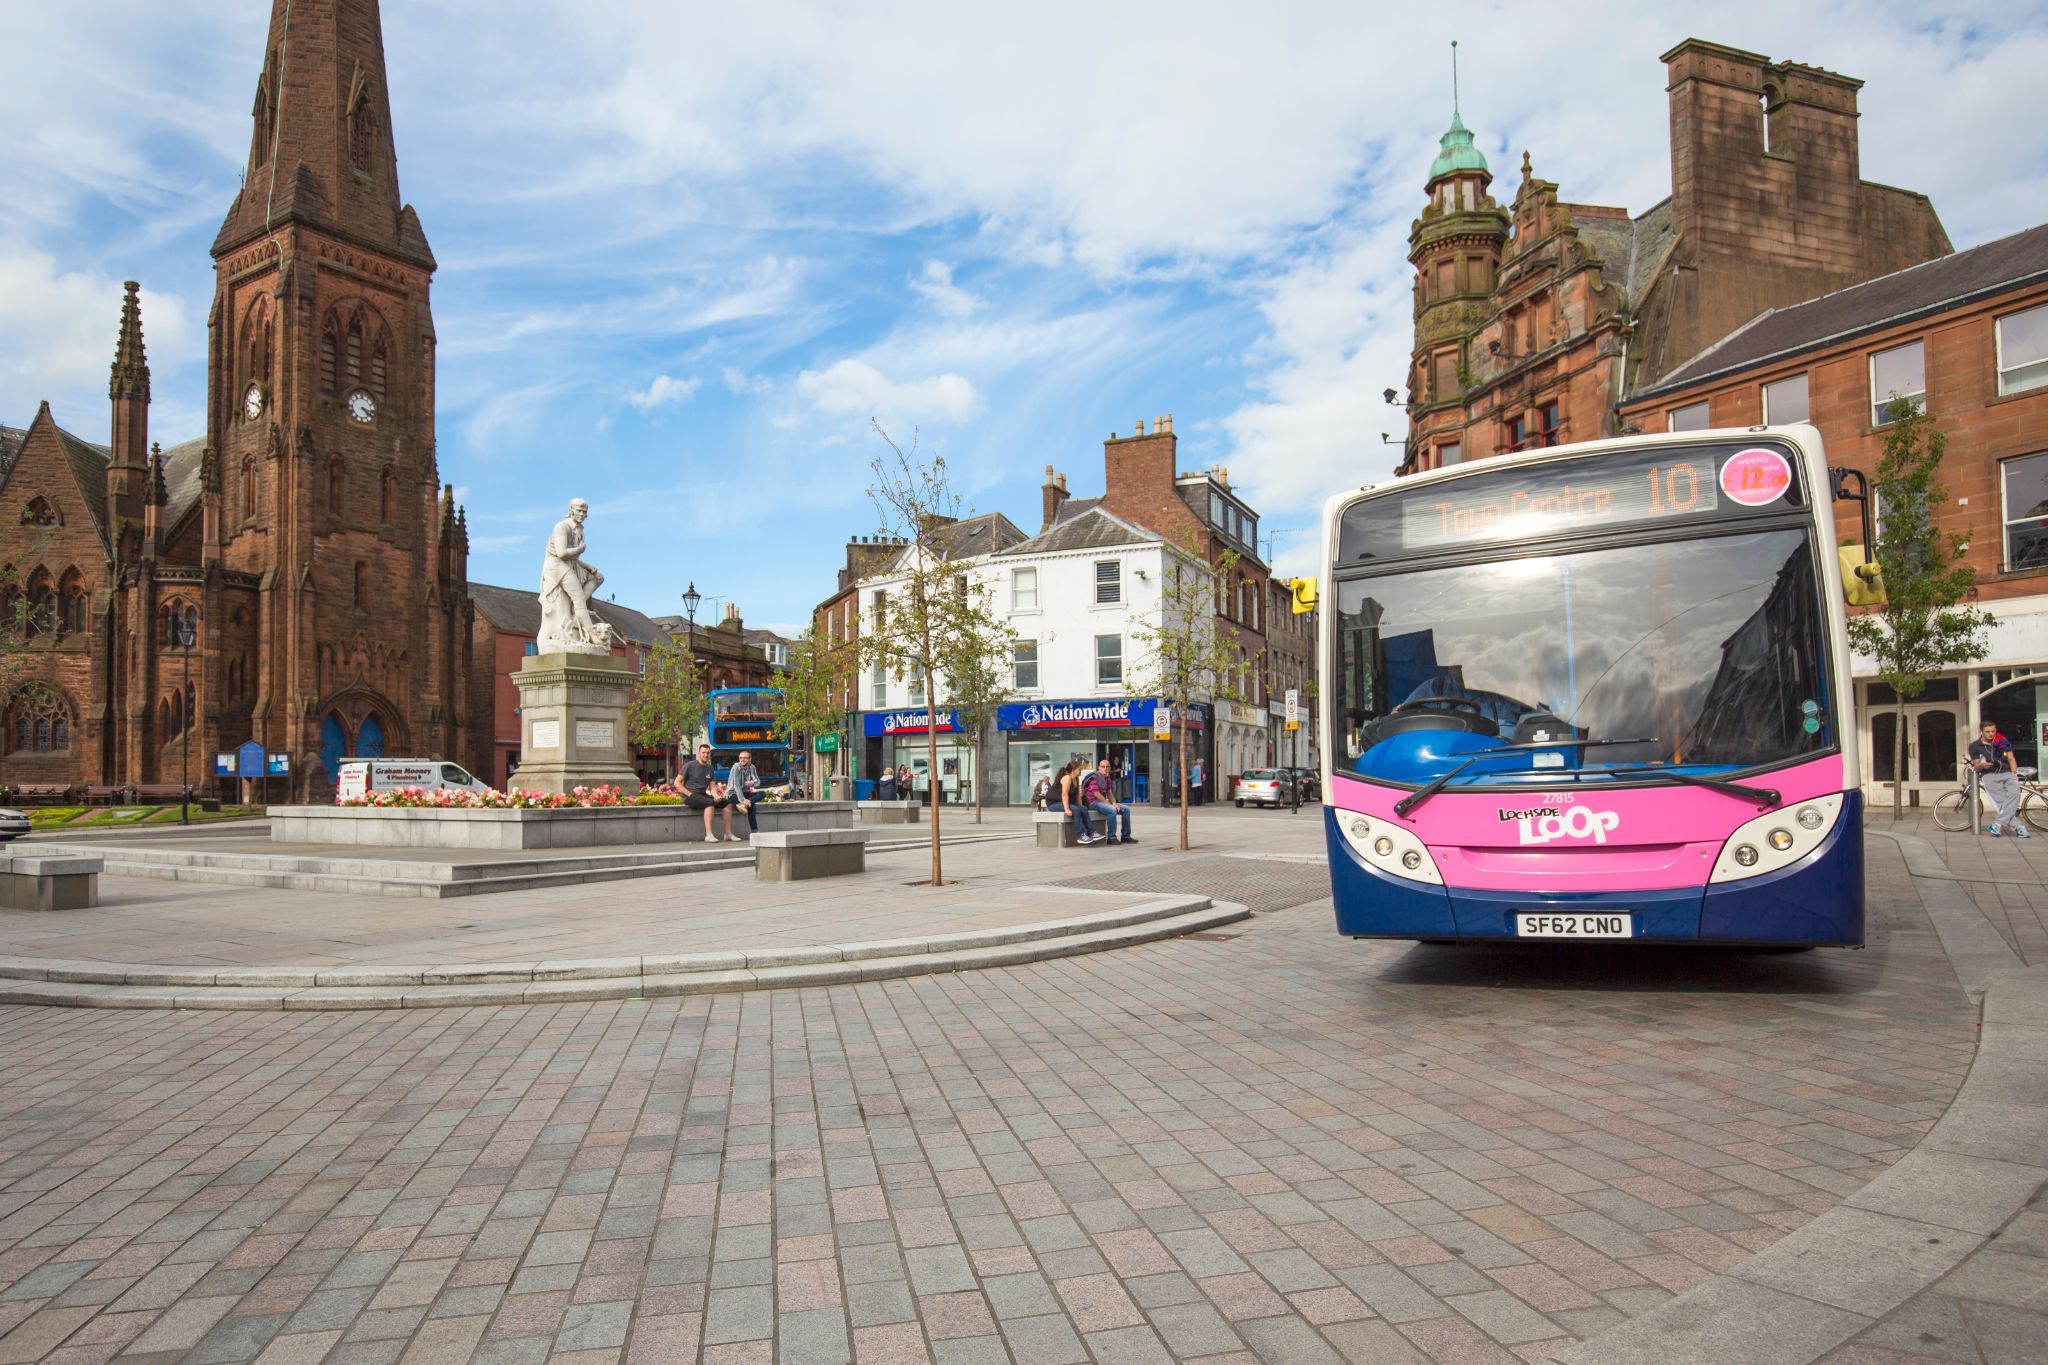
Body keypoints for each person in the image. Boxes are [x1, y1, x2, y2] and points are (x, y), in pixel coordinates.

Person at [1970, 721, 2030, 838]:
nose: (1991, 734)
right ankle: (2019, 828)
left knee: (2015, 795)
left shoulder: (2002, 742)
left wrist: (2014, 775)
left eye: (1993, 731)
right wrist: (1982, 765)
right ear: (1981, 731)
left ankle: (1998, 824)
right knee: (2001, 802)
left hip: (2007, 772)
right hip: (1989, 775)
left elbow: (2011, 758)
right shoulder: (1974, 746)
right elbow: (1976, 765)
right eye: (1988, 732)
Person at [681, 742, 737, 842]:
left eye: (707, 753)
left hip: (702, 795)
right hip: (690, 796)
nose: (705, 755)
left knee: (727, 804)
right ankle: (709, 835)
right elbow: (677, 783)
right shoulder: (689, 765)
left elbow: (712, 787)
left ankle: (728, 834)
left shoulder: (710, 768)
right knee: (709, 804)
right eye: (703, 753)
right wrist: (689, 794)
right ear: (699, 753)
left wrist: (716, 796)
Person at [1083, 757, 1136, 846]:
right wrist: (1108, 804)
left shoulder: (1107, 778)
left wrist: (1114, 803)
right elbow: (1096, 793)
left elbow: (1109, 792)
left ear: (1110, 768)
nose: (1105, 768)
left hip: (1101, 802)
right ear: (1098, 768)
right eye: (1103, 766)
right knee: (1112, 810)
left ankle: (1126, 836)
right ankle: (1111, 838)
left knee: (1126, 809)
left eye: (1107, 767)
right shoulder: (1094, 778)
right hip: (1092, 803)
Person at [1058, 759, 1096, 844]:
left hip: (1065, 801)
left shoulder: (1076, 779)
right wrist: (1067, 809)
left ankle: (1092, 832)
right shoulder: (1067, 778)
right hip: (1054, 802)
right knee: (1075, 810)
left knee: (1083, 809)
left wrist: (1081, 806)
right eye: (1079, 769)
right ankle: (1080, 835)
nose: (1081, 771)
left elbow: (1077, 795)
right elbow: (1064, 794)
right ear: (1073, 770)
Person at [728, 749, 763, 836]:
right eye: (740, 758)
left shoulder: (752, 767)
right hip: (733, 793)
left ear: (750, 759)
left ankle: (748, 802)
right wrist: (743, 800)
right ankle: (754, 830)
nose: (742, 760)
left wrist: (752, 783)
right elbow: (736, 786)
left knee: (762, 793)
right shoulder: (736, 768)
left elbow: (758, 782)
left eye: (745, 758)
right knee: (752, 806)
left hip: (745, 792)